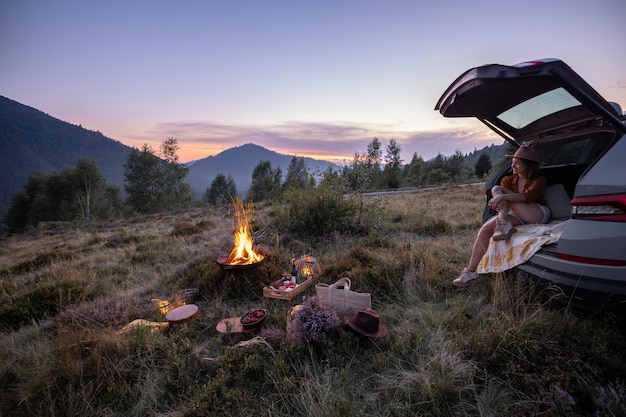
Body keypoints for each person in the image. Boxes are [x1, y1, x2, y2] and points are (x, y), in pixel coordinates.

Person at [453, 146, 551, 287]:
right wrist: (499, 204)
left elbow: (527, 197)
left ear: (527, 164)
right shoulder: (508, 179)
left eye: (517, 162)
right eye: (513, 162)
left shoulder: (539, 180)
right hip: (514, 214)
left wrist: (502, 198)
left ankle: (503, 221)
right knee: (485, 228)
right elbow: (502, 202)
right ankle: (470, 271)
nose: (513, 165)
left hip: (535, 213)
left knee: (496, 190)